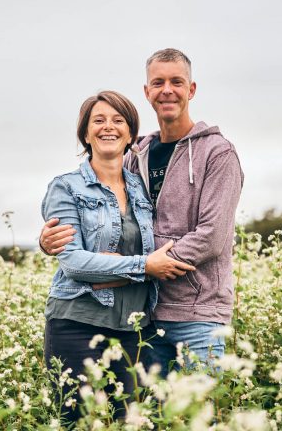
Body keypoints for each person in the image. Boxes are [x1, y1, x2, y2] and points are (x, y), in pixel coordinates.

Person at [41, 49, 244, 376]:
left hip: (198, 316)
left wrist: (148, 266)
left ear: (191, 90)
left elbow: (213, 237)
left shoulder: (217, 153)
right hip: (145, 319)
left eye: (177, 82)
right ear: (147, 92)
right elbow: (115, 225)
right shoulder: (138, 156)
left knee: (202, 417)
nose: (167, 90)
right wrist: (50, 240)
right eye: (158, 82)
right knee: (146, 418)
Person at [41, 90, 195, 422]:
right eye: (98, 120)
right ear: (85, 132)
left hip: (135, 329)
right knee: (80, 422)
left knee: (137, 421)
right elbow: (74, 262)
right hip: (77, 325)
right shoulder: (66, 188)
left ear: (130, 134)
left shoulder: (142, 188)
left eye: (118, 120)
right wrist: (145, 266)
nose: (108, 127)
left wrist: (119, 268)